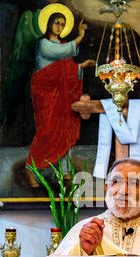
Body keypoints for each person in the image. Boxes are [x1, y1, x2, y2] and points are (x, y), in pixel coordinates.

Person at [54, 157, 140, 257]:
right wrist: (82, 250)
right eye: (116, 182)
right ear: (106, 188)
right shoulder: (84, 230)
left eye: (135, 184)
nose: (124, 191)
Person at [23, 12, 95, 188]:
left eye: (62, 24)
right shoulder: (44, 44)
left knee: (65, 129)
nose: (59, 27)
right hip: (46, 95)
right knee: (46, 132)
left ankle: (65, 171)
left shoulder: (62, 43)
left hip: (62, 96)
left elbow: (68, 67)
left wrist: (81, 67)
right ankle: (30, 169)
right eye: (56, 23)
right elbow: (61, 54)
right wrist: (80, 36)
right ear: (48, 24)